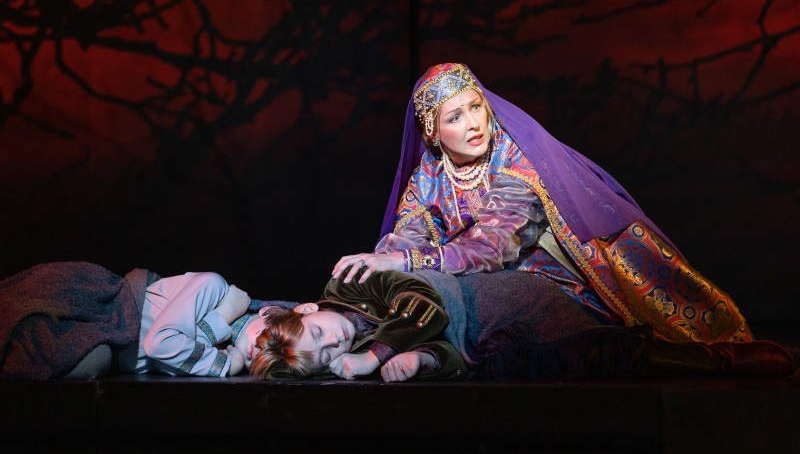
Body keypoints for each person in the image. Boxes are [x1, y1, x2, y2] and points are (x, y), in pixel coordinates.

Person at [330, 62, 794, 379]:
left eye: (476, 106)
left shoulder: (517, 160)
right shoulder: (428, 178)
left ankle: (717, 361)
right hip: (483, 299)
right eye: (455, 116)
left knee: (589, 354)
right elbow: (403, 242)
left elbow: (493, 247)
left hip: (551, 290)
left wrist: (406, 261)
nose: (474, 123)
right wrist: (372, 271)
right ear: (433, 132)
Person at [0, 261, 295, 381]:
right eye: (267, 337)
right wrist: (226, 360)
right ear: (267, 312)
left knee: (93, 360)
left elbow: (170, 358)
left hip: (109, 343)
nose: (261, 349)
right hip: (105, 306)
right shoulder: (214, 287)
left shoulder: (219, 351)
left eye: (274, 359)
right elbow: (161, 345)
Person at [250, 266, 467, 381]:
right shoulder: (351, 361)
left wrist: (374, 356)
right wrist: (421, 359)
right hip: (472, 347)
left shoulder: (345, 283)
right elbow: (457, 363)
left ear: (306, 309)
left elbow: (425, 299)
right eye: (325, 355)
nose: (334, 341)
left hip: (467, 298)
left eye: (318, 332)